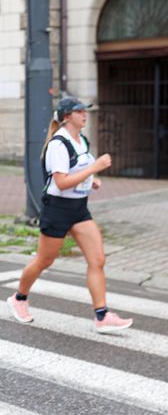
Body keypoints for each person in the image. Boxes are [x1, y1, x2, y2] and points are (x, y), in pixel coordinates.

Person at [7, 96, 133, 334]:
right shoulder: (58, 144)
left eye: (85, 111)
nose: (85, 114)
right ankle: (19, 298)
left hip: (79, 208)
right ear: (67, 117)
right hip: (57, 209)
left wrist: (91, 180)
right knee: (45, 260)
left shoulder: (81, 140)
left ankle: (102, 316)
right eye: (80, 111)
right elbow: (61, 181)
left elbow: (78, 169)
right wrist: (94, 169)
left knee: (97, 260)